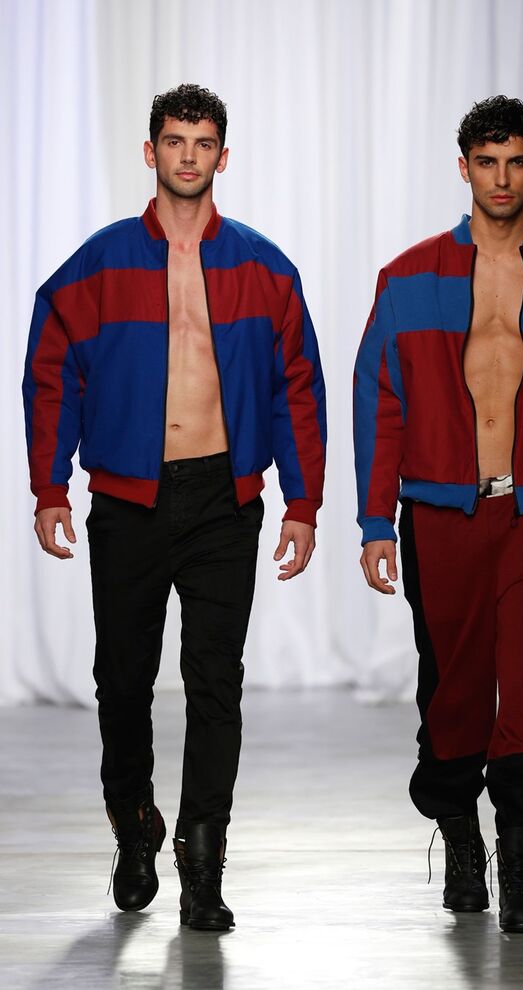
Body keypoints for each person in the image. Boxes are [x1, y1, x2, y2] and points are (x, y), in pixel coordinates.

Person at [23, 84, 326, 930]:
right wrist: (50, 486)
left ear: (223, 155)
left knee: (215, 681)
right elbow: (52, 372)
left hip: (224, 498)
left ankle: (201, 862)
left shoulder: (265, 267)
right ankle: (135, 824)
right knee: (121, 682)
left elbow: (298, 386)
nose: (188, 156)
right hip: (128, 497)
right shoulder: (99, 263)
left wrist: (303, 501)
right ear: (150, 151)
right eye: (174, 141)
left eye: (203, 142)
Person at [353, 95, 523, 933]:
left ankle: (518, 864)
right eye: (486, 162)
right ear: (464, 167)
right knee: (454, 690)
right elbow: (380, 404)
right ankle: (461, 838)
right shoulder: (408, 280)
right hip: (440, 517)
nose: (501, 178)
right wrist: (374, 522)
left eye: (515, 162)